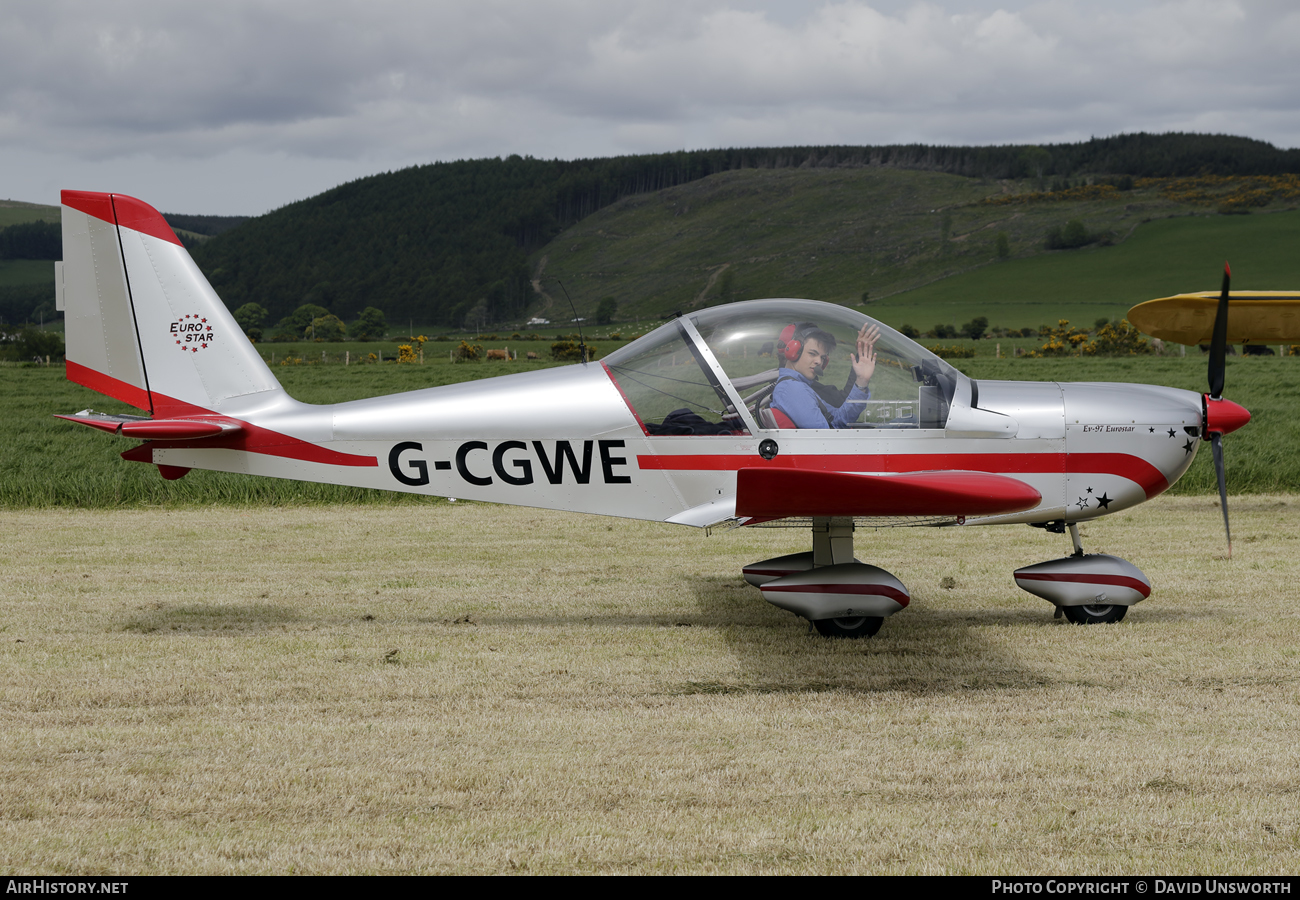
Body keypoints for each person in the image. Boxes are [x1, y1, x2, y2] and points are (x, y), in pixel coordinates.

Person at [770, 321, 879, 428]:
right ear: (793, 352)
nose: (819, 362)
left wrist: (862, 381)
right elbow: (824, 438)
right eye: (812, 354)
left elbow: (838, 419)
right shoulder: (792, 389)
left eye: (822, 357)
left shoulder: (801, 386)